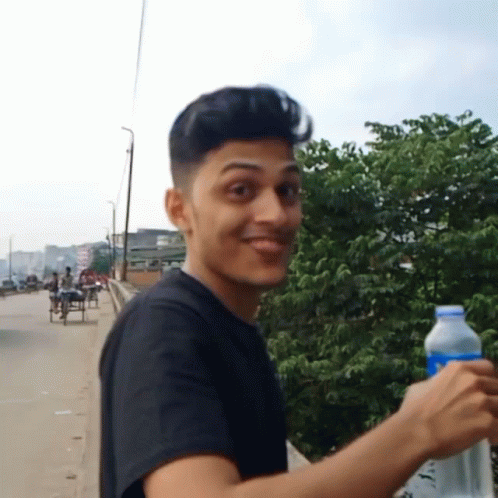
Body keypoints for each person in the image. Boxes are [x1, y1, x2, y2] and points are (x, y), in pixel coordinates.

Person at [99, 86, 498, 498]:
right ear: (180, 209)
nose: (276, 214)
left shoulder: (232, 329)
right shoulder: (161, 327)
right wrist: (418, 429)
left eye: (287, 190)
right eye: (241, 190)